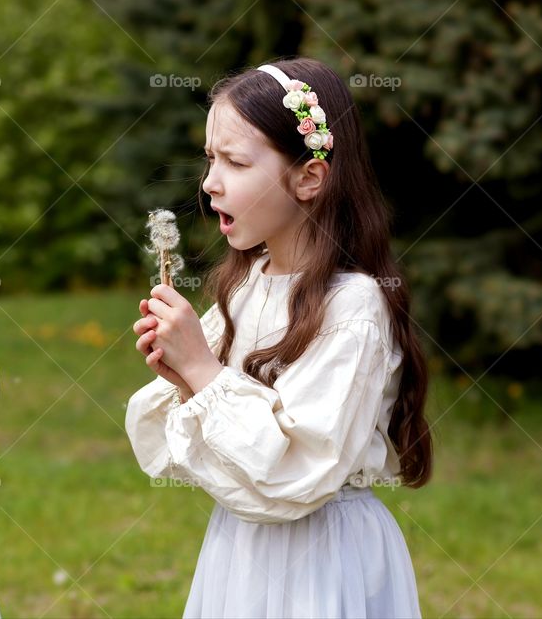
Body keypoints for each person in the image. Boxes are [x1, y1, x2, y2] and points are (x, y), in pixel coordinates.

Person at [126, 58, 432, 618]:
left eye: (235, 162)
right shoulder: (246, 285)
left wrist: (202, 371)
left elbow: (296, 474)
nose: (209, 182)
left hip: (323, 556)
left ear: (309, 177)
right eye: (210, 159)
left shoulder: (354, 306)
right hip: (241, 551)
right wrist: (184, 377)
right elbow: (221, 453)